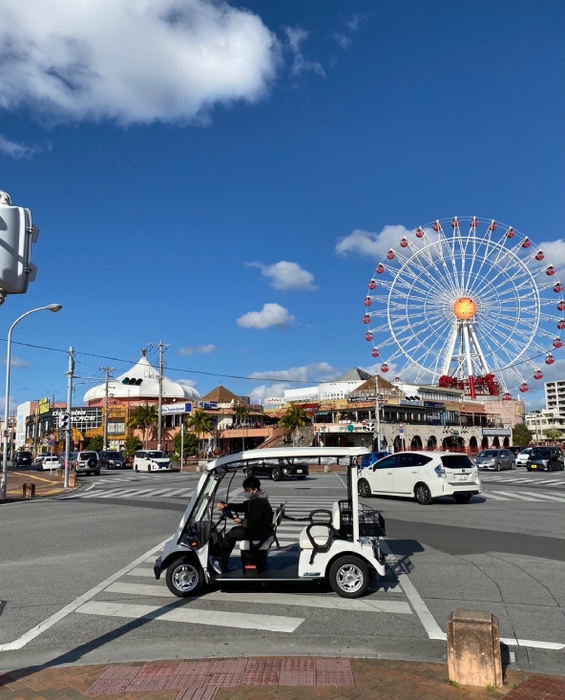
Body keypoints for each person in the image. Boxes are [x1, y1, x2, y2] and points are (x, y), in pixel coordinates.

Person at [212, 475, 273, 573]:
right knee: (233, 530)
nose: (245, 492)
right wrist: (227, 505)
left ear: (254, 489)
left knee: (229, 536)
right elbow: (243, 506)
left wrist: (241, 521)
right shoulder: (256, 499)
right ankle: (221, 560)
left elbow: (252, 523)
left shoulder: (259, 502)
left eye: (247, 490)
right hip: (260, 529)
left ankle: (221, 564)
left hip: (259, 531)